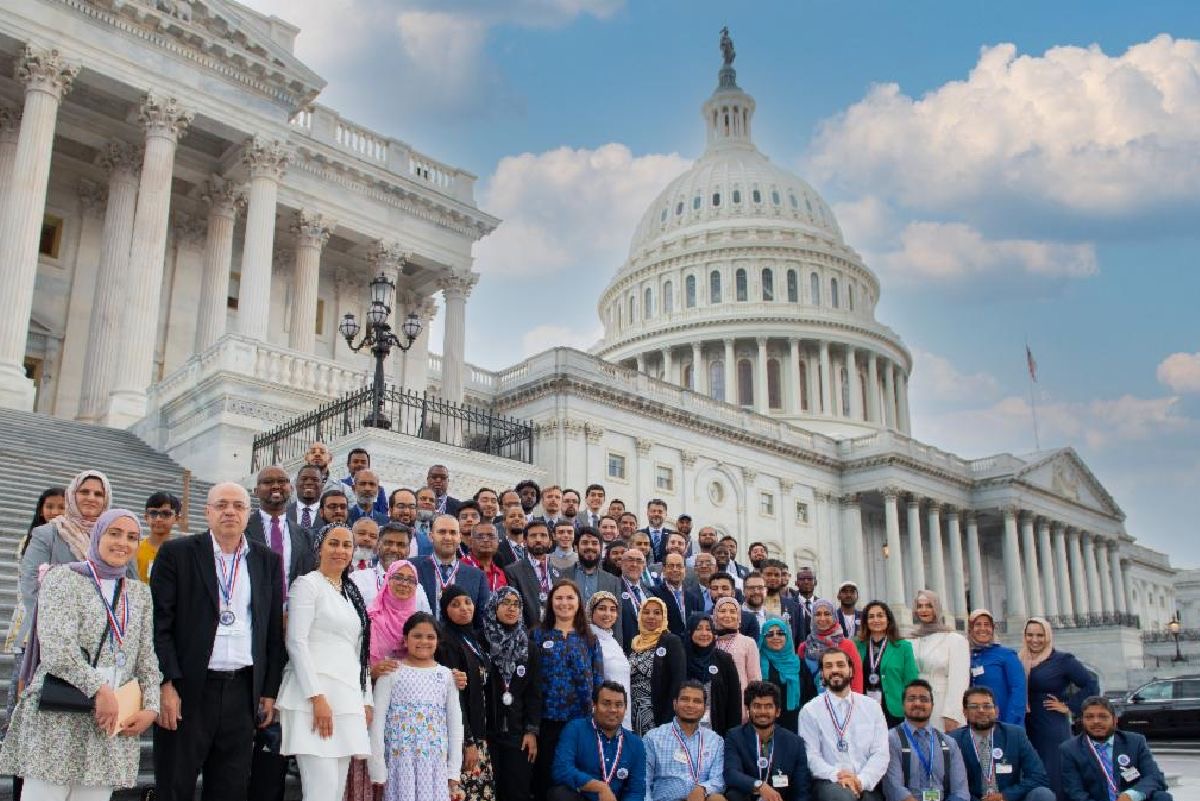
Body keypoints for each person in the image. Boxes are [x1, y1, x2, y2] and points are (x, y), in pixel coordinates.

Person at [0, 508, 161, 799]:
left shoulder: (139, 594)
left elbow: (147, 656)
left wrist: (151, 706)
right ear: (97, 535)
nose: (122, 543)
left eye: (132, 537)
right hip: (61, 711)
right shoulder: (63, 579)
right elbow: (57, 647)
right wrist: (100, 689)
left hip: (110, 723)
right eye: (114, 533)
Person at [150, 482, 286, 801]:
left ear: (248, 514)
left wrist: (268, 690)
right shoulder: (177, 553)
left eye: (238, 505)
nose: (230, 511)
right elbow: (159, 625)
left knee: (229, 788)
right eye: (221, 505)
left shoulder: (266, 560)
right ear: (207, 512)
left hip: (242, 691)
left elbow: (271, 632)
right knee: (174, 785)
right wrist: (165, 683)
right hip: (187, 690)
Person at [276, 524, 372, 800]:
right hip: (313, 697)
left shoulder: (351, 595)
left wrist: (366, 699)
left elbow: (359, 651)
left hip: (346, 698)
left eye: (346, 545)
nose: (340, 550)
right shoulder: (307, 585)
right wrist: (316, 697)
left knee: (334, 791)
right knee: (319, 791)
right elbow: (296, 642)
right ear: (319, 548)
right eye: (334, 543)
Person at [19, 471, 130, 662]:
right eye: (84, 492)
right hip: (51, 640)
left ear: (107, 499)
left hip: (103, 642)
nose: (91, 498)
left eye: (98, 494)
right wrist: (67, 629)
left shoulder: (118, 538)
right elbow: (31, 587)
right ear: (72, 495)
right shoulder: (47, 534)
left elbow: (129, 586)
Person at [368, 612, 464, 801]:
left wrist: (454, 771)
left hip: (435, 766)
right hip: (400, 763)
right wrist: (377, 766)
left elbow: (454, 725)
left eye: (430, 637)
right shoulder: (391, 673)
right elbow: (377, 723)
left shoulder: (446, 676)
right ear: (405, 640)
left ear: (438, 641)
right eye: (417, 636)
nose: (424, 642)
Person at [532, 579, 605, 801]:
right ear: (551, 602)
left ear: (578, 603)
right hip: (546, 722)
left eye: (570, 597)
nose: (564, 603)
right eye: (559, 598)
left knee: (574, 782)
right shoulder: (537, 635)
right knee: (545, 778)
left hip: (579, 723)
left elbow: (598, 681)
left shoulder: (590, 639)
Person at [1018, 617, 1099, 799]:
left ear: (1048, 636)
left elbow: (1090, 684)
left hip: (1050, 725)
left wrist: (1069, 706)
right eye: (1030, 635)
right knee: (1031, 773)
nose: (1035, 639)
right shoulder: (1020, 659)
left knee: (1052, 773)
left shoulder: (1062, 660)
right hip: (1026, 725)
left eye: (1040, 635)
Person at [797, 649, 889, 801]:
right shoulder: (810, 711)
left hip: (866, 782)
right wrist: (838, 775)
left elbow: (881, 753)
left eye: (840, 665)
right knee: (843, 797)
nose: (834, 670)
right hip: (828, 782)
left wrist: (860, 781)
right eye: (828, 666)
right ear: (822, 673)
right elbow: (811, 756)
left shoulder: (872, 707)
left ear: (851, 670)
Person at [481, 586, 542, 801]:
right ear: (493, 607)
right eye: (505, 603)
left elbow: (534, 694)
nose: (511, 608)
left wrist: (531, 731)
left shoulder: (529, 647)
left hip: (518, 734)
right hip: (488, 734)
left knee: (517, 791)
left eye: (516, 604)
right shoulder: (482, 642)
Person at [437, 586, 495, 801]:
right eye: (455, 604)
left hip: (480, 732)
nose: (464, 608)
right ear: (445, 610)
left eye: (467, 602)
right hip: (464, 737)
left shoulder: (474, 638)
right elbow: (455, 697)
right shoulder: (446, 642)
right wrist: (467, 742)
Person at [947, 686, 1052, 801]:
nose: (981, 710)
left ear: (996, 711)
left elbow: (1039, 777)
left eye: (987, 706)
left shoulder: (1015, 735)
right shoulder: (953, 740)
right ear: (965, 712)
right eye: (974, 706)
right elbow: (950, 784)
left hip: (1008, 798)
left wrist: (1005, 796)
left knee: (1043, 794)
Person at [1060, 696, 1173, 801]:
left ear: (1115, 720)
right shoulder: (1070, 749)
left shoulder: (1135, 742)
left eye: (1103, 716)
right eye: (1089, 717)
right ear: (1083, 721)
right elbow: (1075, 792)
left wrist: (1131, 795)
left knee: (1162, 797)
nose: (1096, 721)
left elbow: (1154, 777)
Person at [549, 681, 646, 801]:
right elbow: (561, 769)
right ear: (594, 705)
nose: (613, 710)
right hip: (581, 797)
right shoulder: (575, 729)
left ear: (625, 708)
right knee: (560, 794)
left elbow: (636, 790)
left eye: (619, 705)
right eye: (606, 703)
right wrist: (600, 787)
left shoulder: (636, 744)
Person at [880, 679, 970, 801]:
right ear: (903, 704)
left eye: (924, 699)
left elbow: (960, 791)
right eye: (911, 699)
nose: (918, 703)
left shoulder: (949, 743)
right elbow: (893, 788)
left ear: (932, 705)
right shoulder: (890, 739)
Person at [723, 681, 811, 801]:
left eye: (768, 706)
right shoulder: (734, 737)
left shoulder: (795, 743)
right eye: (757, 706)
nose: (762, 712)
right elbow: (731, 773)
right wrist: (759, 785)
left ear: (778, 711)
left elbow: (801, 789)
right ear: (748, 709)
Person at [643, 681, 727, 801]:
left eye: (697, 701)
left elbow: (719, 780)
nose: (690, 705)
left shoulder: (715, 741)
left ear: (704, 708)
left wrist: (702, 788)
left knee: (717, 799)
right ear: (675, 704)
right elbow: (644, 782)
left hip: (700, 799)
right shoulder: (653, 738)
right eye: (685, 699)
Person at [909, 590, 970, 732]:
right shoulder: (911, 640)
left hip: (942, 705)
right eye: (920, 606)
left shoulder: (954, 640)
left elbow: (959, 681)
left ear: (936, 608)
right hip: (916, 705)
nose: (923, 610)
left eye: (929, 606)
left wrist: (952, 715)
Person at [417, 515, 490, 627]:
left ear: (459, 537)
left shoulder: (477, 576)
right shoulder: (413, 568)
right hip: (423, 641)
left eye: (452, 533)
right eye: (442, 532)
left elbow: (482, 621)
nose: (448, 537)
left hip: (459, 642)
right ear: (431, 536)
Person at [628, 596, 687, 736]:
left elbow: (678, 681)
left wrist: (669, 719)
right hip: (632, 713)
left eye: (657, 613)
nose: (651, 616)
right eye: (646, 612)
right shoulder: (635, 643)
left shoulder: (671, 641)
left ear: (664, 616)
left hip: (657, 714)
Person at [855, 601, 918, 726]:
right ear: (865, 622)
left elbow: (911, 682)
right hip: (864, 711)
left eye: (880, 615)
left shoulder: (903, 647)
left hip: (895, 710)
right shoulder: (857, 646)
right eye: (871, 616)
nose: (876, 620)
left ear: (888, 620)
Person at [351, 523, 432, 612]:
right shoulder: (356, 580)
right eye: (388, 543)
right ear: (378, 545)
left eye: (401, 545)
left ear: (408, 550)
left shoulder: (417, 589)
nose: (394, 549)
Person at [684, 614, 741, 735]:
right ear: (690, 631)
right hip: (685, 727)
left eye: (708, 629)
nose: (704, 633)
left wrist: (732, 736)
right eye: (698, 628)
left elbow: (734, 701)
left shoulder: (724, 659)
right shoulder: (681, 658)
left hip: (716, 728)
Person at [967, 610, 1025, 726]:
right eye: (978, 624)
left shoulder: (1006, 655)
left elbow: (1018, 690)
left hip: (1003, 722)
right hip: (975, 724)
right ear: (970, 629)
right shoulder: (966, 656)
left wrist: (1010, 724)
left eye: (987, 625)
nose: (983, 629)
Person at [798, 600, 864, 702]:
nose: (822, 618)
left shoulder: (847, 645)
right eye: (818, 614)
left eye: (827, 614)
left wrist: (856, 704)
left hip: (843, 703)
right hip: (813, 705)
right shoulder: (805, 646)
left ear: (834, 616)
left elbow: (856, 678)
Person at [569, 528, 625, 643]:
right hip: (569, 641)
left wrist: (618, 648)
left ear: (601, 548)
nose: (590, 547)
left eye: (595, 543)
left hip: (602, 644)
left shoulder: (612, 581)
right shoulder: (562, 576)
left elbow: (617, 622)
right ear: (576, 547)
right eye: (584, 543)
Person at [506, 519, 563, 628]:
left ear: (551, 542)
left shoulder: (560, 572)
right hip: (530, 634)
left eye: (543, 535)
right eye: (533, 536)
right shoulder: (513, 572)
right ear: (525, 542)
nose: (538, 539)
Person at [589, 591, 632, 729]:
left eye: (612, 609)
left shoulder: (612, 640)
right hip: (603, 715)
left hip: (622, 710)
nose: (608, 614)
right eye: (602, 608)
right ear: (591, 611)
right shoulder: (588, 640)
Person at [712, 597, 762, 709]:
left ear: (739, 616)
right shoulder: (709, 640)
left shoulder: (748, 642)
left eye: (732, 611)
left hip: (740, 702)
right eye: (722, 611)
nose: (727, 615)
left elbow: (754, 679)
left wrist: (752, 706)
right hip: (713, 701)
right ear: (715, 614)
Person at [757, 617, 803, 732]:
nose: (775, 637)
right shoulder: (757, 662)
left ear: (787, 637)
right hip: (765, 723)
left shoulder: (798, 663)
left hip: (795, 722)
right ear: (763, 638)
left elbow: (808, 694)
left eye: (780, 633)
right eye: (770, 634)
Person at [651, 553, 702, 637]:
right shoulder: (654, 594)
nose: (675, 569)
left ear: (684, 570)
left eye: (679, 566)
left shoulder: (693, 598)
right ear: (664, 570)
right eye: (671, 566)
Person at [137, 491, 180, 581]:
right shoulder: (135, 550)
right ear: (146, 517)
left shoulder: (181, 555)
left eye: (166, 514)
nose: (158, 519)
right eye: (153, 513)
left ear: (176, 518)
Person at [709, 573, 760, 641]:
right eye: (715, 588)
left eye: (725, 588)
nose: (720, 592)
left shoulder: (749, 620)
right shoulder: (704, 618)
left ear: (733, 593)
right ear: (710, 592)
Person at [464, 520, 510, 592]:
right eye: (480, 537)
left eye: (491, 536)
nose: (486, 540)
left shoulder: (500, 573)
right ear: (471, 542)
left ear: (498, 542)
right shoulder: (460, 567)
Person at [289, 464, 325, 528]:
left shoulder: (330, 513)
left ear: (322, 486)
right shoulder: (282, 513)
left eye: (315, 480)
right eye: (304, 479)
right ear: (296, 484)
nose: (309, 482)